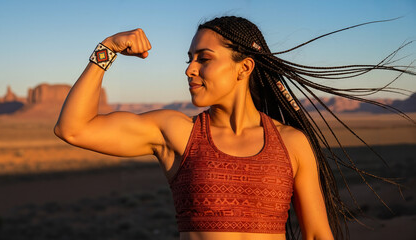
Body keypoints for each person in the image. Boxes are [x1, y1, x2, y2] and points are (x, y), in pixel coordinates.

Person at [54, 16, 414, 240]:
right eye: (189, 59)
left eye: (203, 59)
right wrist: (107, 49)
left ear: (243, 68)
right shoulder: (177, 132)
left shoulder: (292, 143)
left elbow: (318, 234)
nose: (189, 70)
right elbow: (73, 129)